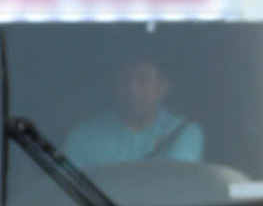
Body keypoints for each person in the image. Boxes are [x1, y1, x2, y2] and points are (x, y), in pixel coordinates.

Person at [64, 57, 203, 169]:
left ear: (162, 87)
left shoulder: (183, 132)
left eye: (142, 80)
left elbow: (175, 186)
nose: (132, 88)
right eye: (125, 79)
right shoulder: (84, 136)